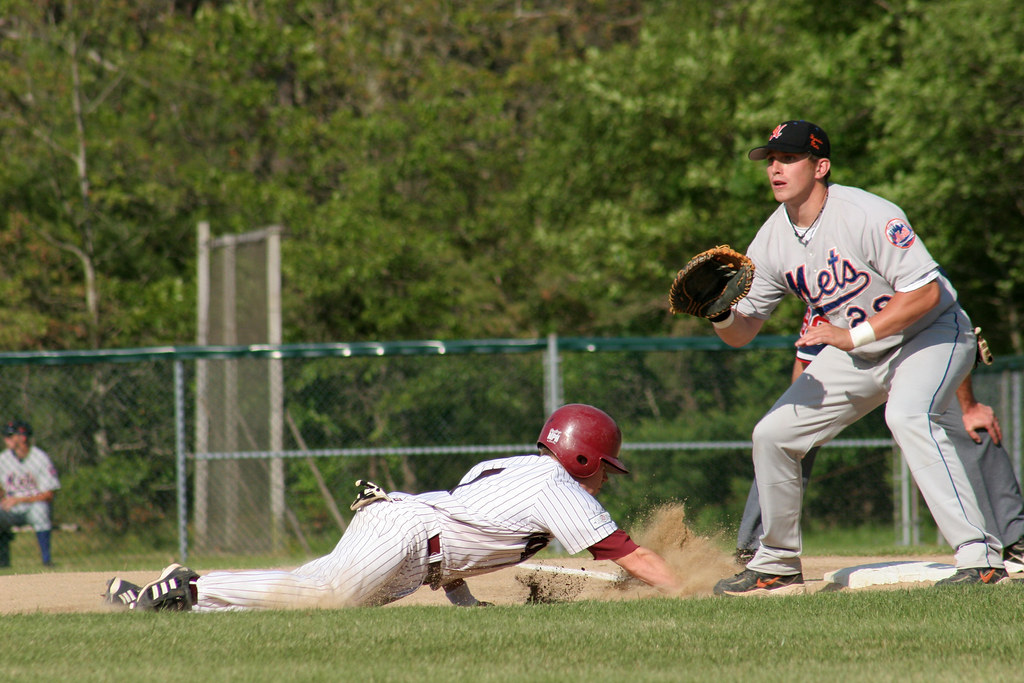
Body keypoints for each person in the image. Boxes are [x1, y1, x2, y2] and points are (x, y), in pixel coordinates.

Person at [709, 120, 1005, 596]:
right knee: (773, 434)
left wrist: (852, 336)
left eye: (789, 158)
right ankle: (776, 563)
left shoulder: (867, 213)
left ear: (820, 166)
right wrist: (720, 313)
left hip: (931, 334)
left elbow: (926, 293)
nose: (776, 168)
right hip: (862, 350)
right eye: (771, 160)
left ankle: (981, 559)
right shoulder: (770, 240)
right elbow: (743, 332)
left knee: (908, 415)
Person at [105, 404, 681, 611]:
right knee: (324, 594)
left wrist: (464, 601)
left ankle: (167, 606)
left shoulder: (512, 468)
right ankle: (192, 586)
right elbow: (627, 554)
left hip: (413, 544)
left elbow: (466, 530)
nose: (605, 478)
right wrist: (689, 591)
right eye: (604, 466)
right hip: (407, 533)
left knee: (305, 600)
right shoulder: (556, 486)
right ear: (581, 457)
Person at [734, 310, 1024, 570]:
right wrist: (800, 426)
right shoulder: (827, 306)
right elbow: (805, 367)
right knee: (782, 438)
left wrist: (970, 407)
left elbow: (951, 345)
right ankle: (757, 548)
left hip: (917, 367)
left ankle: (1014, 541)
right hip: (853, 374)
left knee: (972, 426)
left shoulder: (907, 292)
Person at [0, 420, 60, 567]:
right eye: (5, 436)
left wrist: (19, 500)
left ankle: (46, 560)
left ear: (22, 437)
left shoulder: (39, 458)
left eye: (10, 435)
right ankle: (3, 560)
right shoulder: (3, 459)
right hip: (10, 509)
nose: (6, 439)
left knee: (41, 509)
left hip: (33, 506)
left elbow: (49, 494)